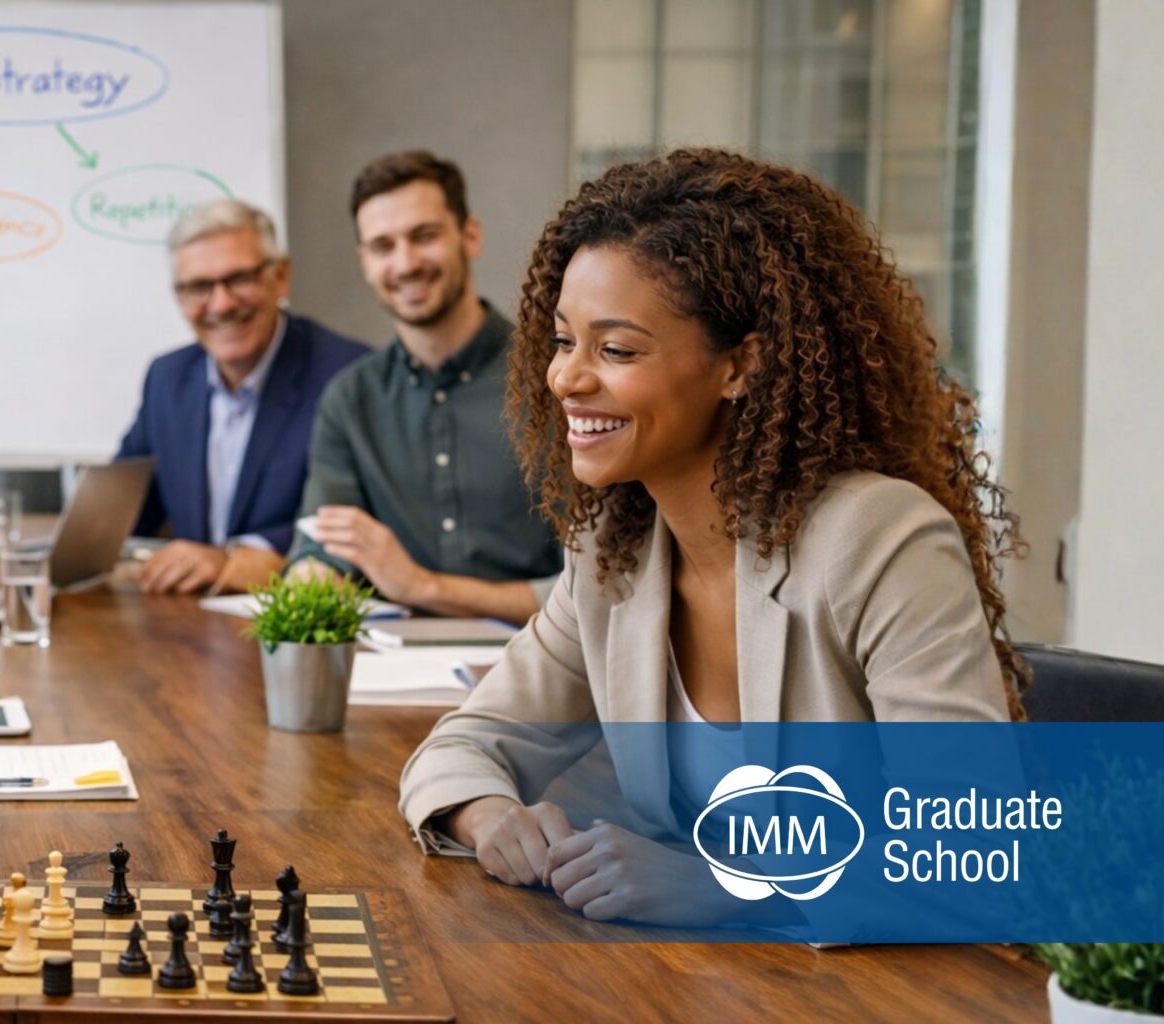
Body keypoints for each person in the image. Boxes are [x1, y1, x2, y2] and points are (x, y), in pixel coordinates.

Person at [396, 148, 1023, 925]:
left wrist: (727, 885)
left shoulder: (878, 538)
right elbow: (464, 746)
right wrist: (491, 818)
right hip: (706, 984)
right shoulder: (613, 555)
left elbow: (966, 849)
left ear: (741, 366)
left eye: (615, 349)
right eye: (563, 341)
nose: (565, 378)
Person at [289, 151, 561, 619]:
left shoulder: (557, 378)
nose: (406, 263)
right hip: (394, 673)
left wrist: (423, 587)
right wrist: (311, 582)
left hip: (547, 663)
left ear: (469, 236)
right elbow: (322, 550)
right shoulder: (350, 399)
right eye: (382, 246)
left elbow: (599, 584)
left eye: (424, 236)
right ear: (364, 262)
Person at [115, 199, 369, 595]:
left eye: (239, 279)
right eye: (199, 287)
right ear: (179, 297)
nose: (222, 304)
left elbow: (352, 516)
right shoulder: (167, 378)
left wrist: (232, 558)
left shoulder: (348, 376)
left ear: (280, 276)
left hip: (294, 624)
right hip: (189, 624)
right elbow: (124, 509)